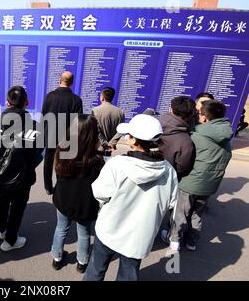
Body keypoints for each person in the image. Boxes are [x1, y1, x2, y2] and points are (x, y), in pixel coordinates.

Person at [84, 114, 178, 281]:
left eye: (129, 135)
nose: (126, 137)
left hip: (110, 229)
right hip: (140, 236)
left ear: (134, 141)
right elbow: (172, 202)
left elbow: (100, 193)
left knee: (96, 269)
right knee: (128, 275)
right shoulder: (169, 171)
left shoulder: (116, 164)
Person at [162, 100, 233, 252]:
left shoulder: (196, 135)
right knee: (197, 214)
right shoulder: (226, 134)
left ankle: (174, 240)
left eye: (199, 113)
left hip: (190, 182)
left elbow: (185, 157)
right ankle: (192, 242)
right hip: (210, 184)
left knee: (180, 212)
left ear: (204, 118)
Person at [0, 86, 43, 251]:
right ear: (26, 103)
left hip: (2, 174)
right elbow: (39, 151)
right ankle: (10, 240)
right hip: (22, 175)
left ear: (7, 103)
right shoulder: (34, 126)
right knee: (18, 207)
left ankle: (2, 230)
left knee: (3, 201)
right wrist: (26, 163)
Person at [50, 114, 104, 273]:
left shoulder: (62, 150)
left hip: (63, 198)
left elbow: (58, 175)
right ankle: (82, 261)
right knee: (84, 233)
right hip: (85, 204)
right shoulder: (97, 160)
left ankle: (57, 258)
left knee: (61, 228)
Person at [41, 71, 83, 195]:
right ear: (72, 82)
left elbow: (44, 115)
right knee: (63, 163)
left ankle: (48, 186)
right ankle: (60, 186)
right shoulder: (76, 100)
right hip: (67, 137)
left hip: (50, 135)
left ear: (60, 79)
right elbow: (78, 121)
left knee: (48, 162)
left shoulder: (49, 96)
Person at [158, 96, 196, 180]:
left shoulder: (154, 125)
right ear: (190, 115)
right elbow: (183, 168)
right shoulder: (186, 142)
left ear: (170, 109)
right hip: (167, 180)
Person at [91, 87, 125, 155]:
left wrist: (104, 143)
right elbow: (121, 130)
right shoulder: (120, 112)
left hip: (98, 147)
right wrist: (112, 143)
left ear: (102, 97)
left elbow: (95, 129)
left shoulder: (95, 110)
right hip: (110, 148)